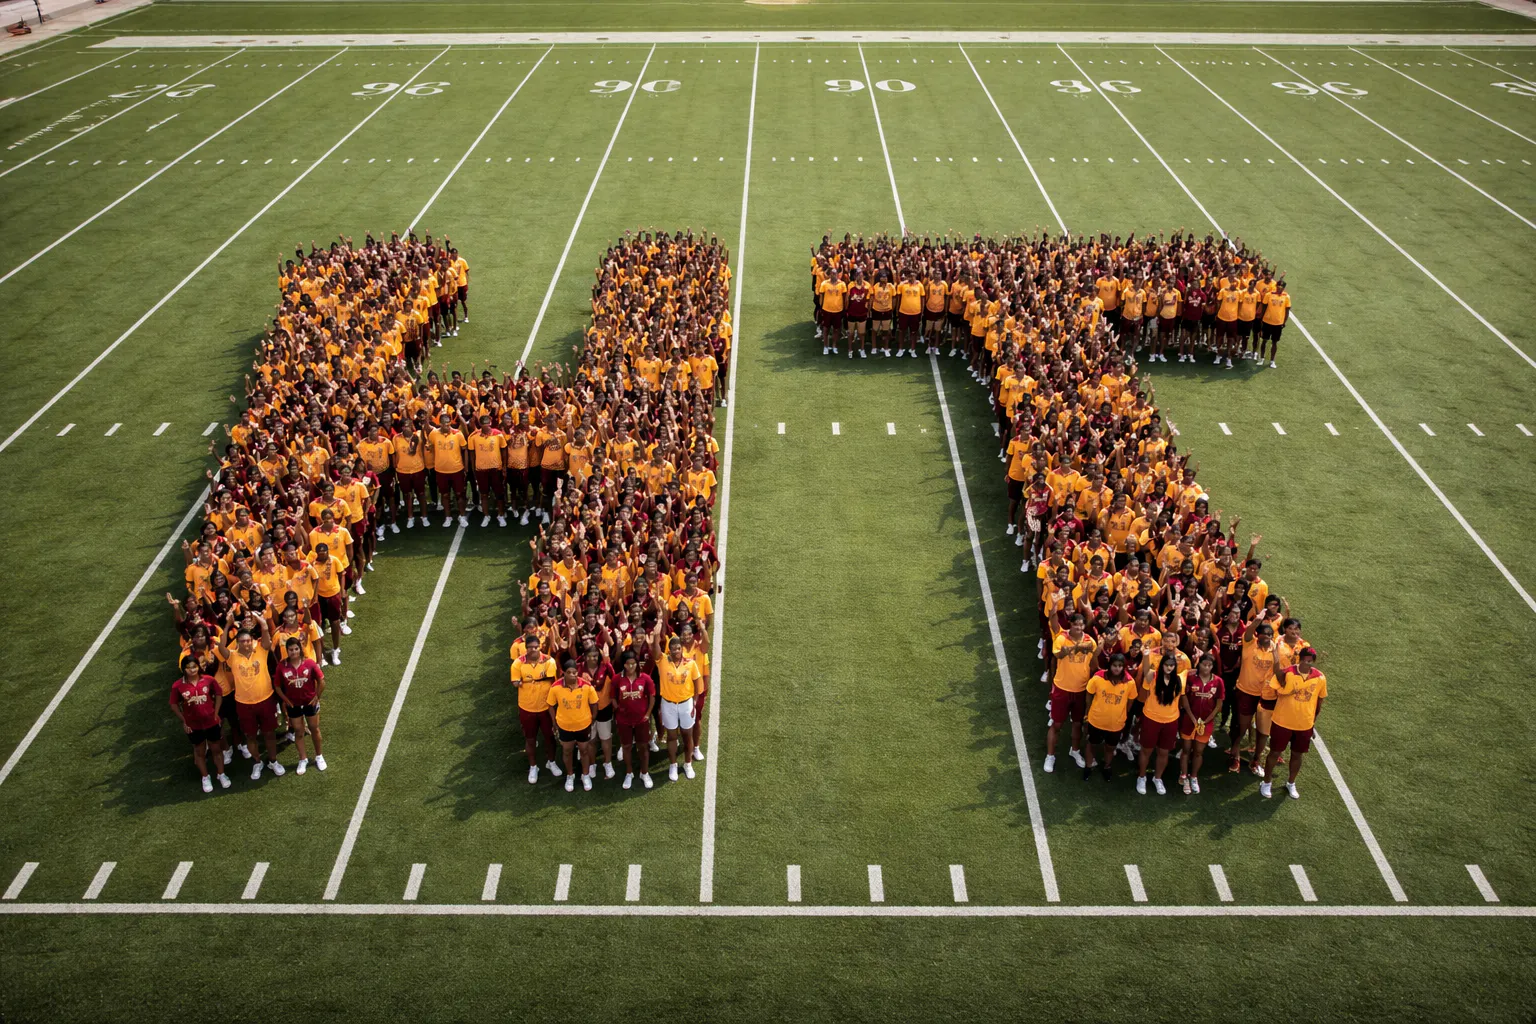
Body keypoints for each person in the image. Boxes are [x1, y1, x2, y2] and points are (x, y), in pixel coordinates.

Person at [214, 615, 284, 780]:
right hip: (244, 704)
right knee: (250, 736)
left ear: (252, 641)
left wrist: (259, 618)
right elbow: (221, 646)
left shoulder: (261, 650)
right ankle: (257, 762)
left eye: (248, 640)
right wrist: (227, 626)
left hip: (266, 699)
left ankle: (273, 761)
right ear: (237, 643)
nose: (245, 643)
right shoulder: (232, 656)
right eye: (242, 641)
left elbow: (265, 629)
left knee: (269, 733)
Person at [1262, 648, 1326, 799]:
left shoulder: (1320, 678)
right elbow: (1276, 687)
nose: (1306, 664)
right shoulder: (1287, 673)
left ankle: (1291, 782)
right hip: (1282, 722)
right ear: (1299, 659)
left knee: (1297, 755)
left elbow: (1319, 702)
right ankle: (1266, 782)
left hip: (1304, 725)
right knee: (1274, 752)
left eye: (1309, 661)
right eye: (1304, 660)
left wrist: (1312, 723)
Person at [1044, 615, 1098, 773]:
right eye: (1076, 625)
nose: (1079, 628)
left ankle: (1074, 750)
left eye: (1081, 625)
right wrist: (1074, 648)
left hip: (1081, 690)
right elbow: (1058, 655)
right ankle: (1050, 755)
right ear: (1070, 625)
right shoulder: (1061, 638)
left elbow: (1093, 658)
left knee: (1077, 723)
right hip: (1062, 689)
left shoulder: (1090, 641)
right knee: (1057, 724)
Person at [647, 624, 701, 781]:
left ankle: (688, 763)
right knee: (671, 736)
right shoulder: (663, 661)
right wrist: (656, 635)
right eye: (673, 649)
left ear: (682, 649)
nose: (676, 651)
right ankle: (673, 765)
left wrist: (695, 703)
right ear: (669, 650)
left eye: (678, 648)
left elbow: (697, 684)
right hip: (668, 704)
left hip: (686, 703)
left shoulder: (690, 663)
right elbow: (655, 650)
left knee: (687, 735)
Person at [170, 656, 230, 792]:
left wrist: (216, 713)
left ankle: (221, 774)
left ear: (198, 667)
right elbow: (173, 704)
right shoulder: (178, 686)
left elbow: (219, 694)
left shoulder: (209, 680)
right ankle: (205, 777)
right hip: (194, 725)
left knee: (216, 749)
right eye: (188, 667)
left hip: (211, 722)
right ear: (183, 669)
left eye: (194, 666)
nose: (192, 670)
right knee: (199, 751)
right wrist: (184, 720)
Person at [511, 634, 561, 784]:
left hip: (546, 707)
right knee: (530, 739)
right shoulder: (518, 663)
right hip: (527, 707)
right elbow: (515, 681)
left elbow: (551, 681)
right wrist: (518, 683)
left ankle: (551, 762)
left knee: (550, 737)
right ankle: (533, 766)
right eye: (530, 647)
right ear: (525, 648)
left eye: (535, 647)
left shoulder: (549, 661)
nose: (533, 650)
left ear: (540, 647)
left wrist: (527, 681)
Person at [274, 637, 327, 774]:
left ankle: (319, 756)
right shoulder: (282, 666)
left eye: (296, 649)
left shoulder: (309, 663)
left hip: (309, 702)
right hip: (294, 705)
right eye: (291, 649)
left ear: (300, 649)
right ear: (287, 651)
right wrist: (285, 700)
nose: (294, 652)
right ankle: (303, 759)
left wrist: (317, 697)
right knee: (298, 731)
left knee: (314, 728)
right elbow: (277, 686)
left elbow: (321, 681)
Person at [1083, 652, 1137, 782]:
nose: (1117, 668)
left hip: (1116, 724)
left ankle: (1107, 767)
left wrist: (1122, 714)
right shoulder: (1098, 677)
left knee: (1110, 748)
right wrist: (1088, 711)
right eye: (1114, 665)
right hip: (1096, 721)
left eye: (1120, 666)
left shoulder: (1130, 682)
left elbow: (1130, 702)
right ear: (1110, 665)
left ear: (1123, 667)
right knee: (1092, 744)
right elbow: (1089, 693)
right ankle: (1088, 766)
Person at [1135, 654, 1184, 795]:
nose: (1169, 667)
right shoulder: (1153, 676)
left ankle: (1157, 778)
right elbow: (1145, 671)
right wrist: (1145, 656)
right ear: (1161, 665)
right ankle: (1142, 777)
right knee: (1146, 750)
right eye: (1166, 664)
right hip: (1151, 719)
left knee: (1164, 752)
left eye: (1172, 665)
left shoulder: (1179, 680)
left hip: (1171, 721)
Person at [547, 660, 598, 792]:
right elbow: (550, 705)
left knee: (584, 750)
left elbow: (594, 703)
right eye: (569, 672)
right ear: (563, 673)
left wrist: (593, 718)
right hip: (565, 726)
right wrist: (554, 722)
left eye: (574, 672)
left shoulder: (586, 686)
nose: (572, 675)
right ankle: (570, 775)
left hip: (583, 725)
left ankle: (585, 775)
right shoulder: (555, 687)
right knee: (567, 751)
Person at [1179, 653, 1224, 795]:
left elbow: (1218, 704)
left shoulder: (1218, 682)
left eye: (1210, 665)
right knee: (1186, 749)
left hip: (1206, 723)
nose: (1207, 668)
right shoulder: (1191, 678)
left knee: (1198, 751)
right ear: (1199, 664)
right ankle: (1184, 776)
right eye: (1204, 664)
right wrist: (1192, 718)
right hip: (1189, 720)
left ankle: (1193, 777)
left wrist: (1207, 720)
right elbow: (1184, 698)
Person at [612, 650, 657, 790]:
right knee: (626, 747)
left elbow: (652, 697)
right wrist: (618, 710)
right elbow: (612, 697)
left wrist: (647, 714)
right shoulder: (617, 679)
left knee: (643, 747)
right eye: (628, 664)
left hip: (641, 720)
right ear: (623, 665)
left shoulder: (645, 678)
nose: (631, 667)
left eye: (633, 664)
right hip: (624, 721)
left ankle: (644, 773)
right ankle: (629, 772)